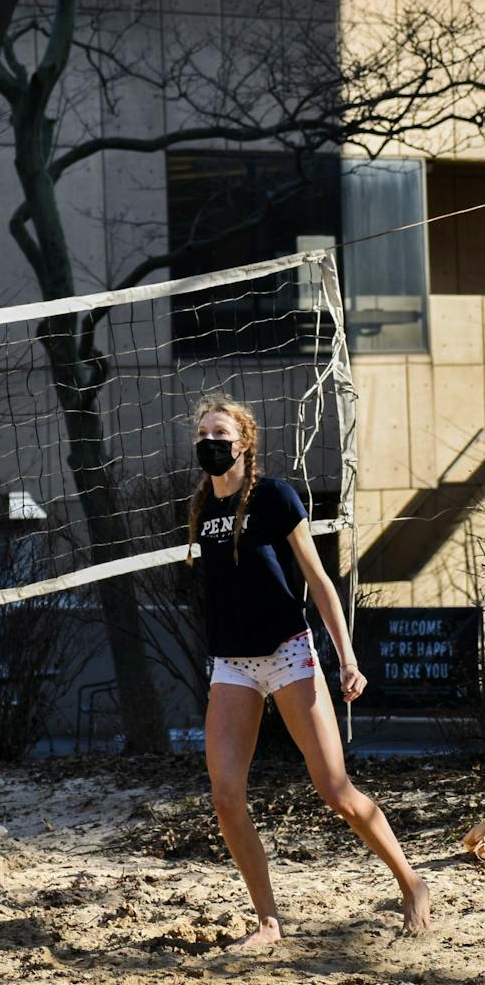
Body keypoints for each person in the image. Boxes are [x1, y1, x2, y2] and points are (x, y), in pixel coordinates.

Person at [186, 394, 429, 945]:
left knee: (334, 789)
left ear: (243, 441)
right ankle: (268, 923)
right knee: (226, 796)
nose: (208, 443)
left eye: (218, 433)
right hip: (232, 665)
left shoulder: (274, 496)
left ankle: (411, 882)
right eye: (201, 435)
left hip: (289, 652)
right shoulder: (202, 507)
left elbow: (319, 580)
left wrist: (347, 658)